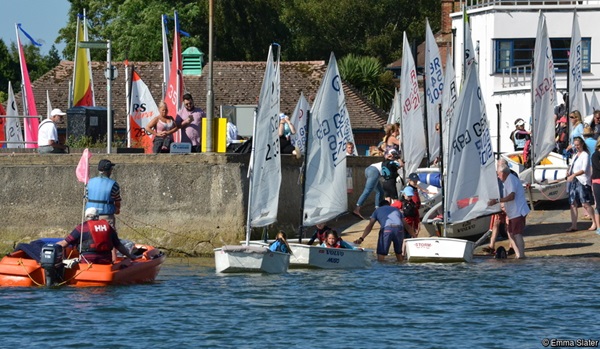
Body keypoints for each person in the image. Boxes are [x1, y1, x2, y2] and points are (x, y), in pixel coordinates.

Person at [57, 207, 137, 264]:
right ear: (97, 216)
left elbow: (64, 243)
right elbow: (118, 245)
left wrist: (51, 246)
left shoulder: (82, 227)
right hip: (105, 261)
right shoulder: (108, 226)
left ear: (86, 216)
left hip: (87, 261)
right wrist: (130, 256)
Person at [487, 162, 531, 259]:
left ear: (502, 173)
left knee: (516, 233)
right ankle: (518, 254)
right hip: (512, 212)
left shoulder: (510, 179)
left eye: (498, 174)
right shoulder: (506, 181)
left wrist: (497, 201)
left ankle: (521, 255)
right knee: (510, 233)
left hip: (518, 211)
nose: (498, 176)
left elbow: (512, 196)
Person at [565, 137, 596, 232]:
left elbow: (584, 169)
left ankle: (594, 222)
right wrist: (568, 172)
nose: (576, 147)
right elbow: (571, 165)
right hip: (573, 181)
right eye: (575, 145)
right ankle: (574, 225)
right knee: (572, 203)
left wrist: (574, 174)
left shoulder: (585, 155)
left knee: (585, 203)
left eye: (578, 145)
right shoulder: (575, 155)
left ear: (582, 144)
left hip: (582, 181)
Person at [85, 159, 121, 228]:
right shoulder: (114, 184)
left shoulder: (89, 182)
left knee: (90, 237)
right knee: (108, 237)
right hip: (106, 217)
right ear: (109, 170)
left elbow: (87, 197)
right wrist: (117, 210)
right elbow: (117, 201)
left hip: (90, 216)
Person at [590, 139, 600, 235]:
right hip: (597, 181)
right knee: (598, 205)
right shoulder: (595, 155)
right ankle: (599, 227)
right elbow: (597, 167)